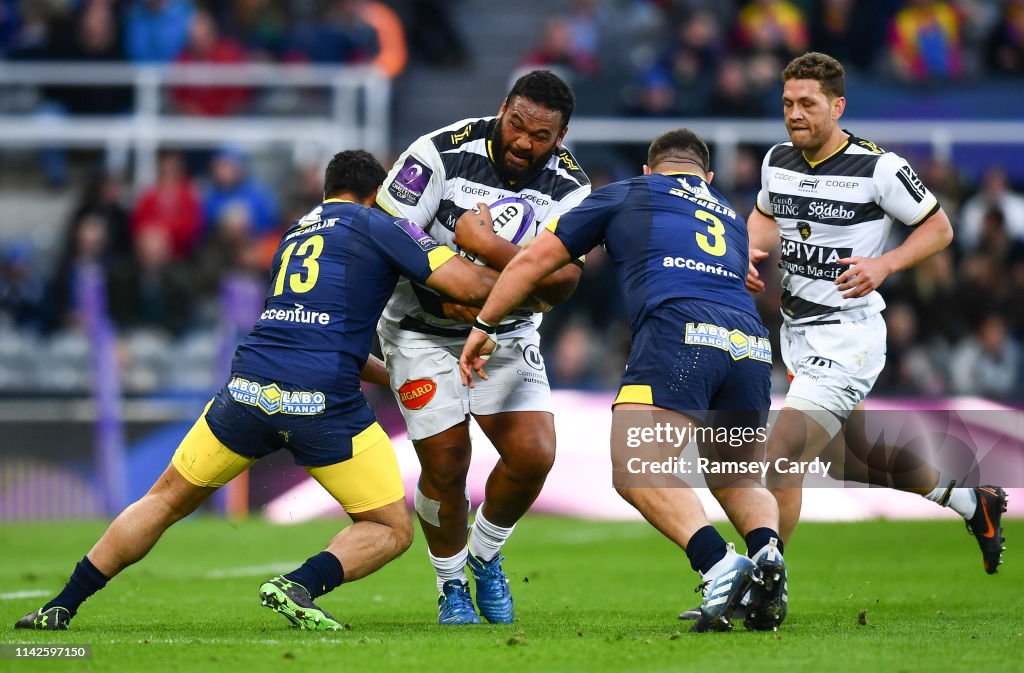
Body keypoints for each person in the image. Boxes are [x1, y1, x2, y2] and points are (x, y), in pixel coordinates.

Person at [14, 150, 498, 632]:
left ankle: (62, 605)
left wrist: (392, 375)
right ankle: (299, 585)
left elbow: (306, 329)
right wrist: (486, 241)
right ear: (377, 195)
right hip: (322, 403)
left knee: (162, 501)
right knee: (390, 528)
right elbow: (472, 286)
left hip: (248, 389)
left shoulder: (294, 232)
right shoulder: (377, 223)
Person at [459, 129, 787, 633]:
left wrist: (484, 325)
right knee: (737, 476)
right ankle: (768, 557)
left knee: (637, 466)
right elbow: (740, 272)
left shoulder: (629, 193)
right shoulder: (727, 211)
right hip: (750, 345)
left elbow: (533, 261)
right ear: (708, 176)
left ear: (650, 171)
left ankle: (719, 565)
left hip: (681, 332)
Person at [743, 52, 1006, 569]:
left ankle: (763, 583)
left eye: (808, 103)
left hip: (848, 336)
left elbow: (939, 228)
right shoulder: (777, 160)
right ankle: (972, 502)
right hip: (797, 333)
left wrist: (885, 264)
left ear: (837, 105)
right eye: (788, 103)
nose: (795, 114)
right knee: (851, 461)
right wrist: (747, 254)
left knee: (781, 454)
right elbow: (763, 217)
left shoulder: (880, 167)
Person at [374, 70, 591, 625]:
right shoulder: (438, 153)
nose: (522, 141)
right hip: (421, 328)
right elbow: (386, 231)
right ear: (502, 109)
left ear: (560, 138)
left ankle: (485, 555)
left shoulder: (571, 187)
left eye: (539, 136)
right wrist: (453, 289)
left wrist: (484, 247)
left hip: (506, 332)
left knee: (534, 453)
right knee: (447, 462)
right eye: (516, 124)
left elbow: (565, 283)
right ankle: (451, 587)